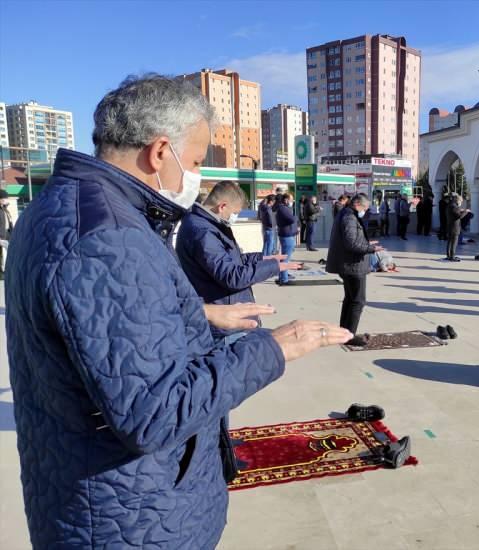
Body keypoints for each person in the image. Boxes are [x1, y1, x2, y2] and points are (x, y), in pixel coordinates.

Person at [3, 74, 351, 549]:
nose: (197, 176)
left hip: (97, 494)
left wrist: (199, 313)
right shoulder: (108, 238)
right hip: (130, 515)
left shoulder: (65, 209)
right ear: (160, 151)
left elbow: (99, 326)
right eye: (196, 160)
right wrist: (271, 348)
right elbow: (154, 413)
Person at [177, 181, 299, 342]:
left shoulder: (209, 224)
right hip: (225, 324)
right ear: (222, 206)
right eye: (235, 213)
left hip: (229, 314)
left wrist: (262, 258)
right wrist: (274, 267)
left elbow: (232, 260)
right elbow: (232, 276)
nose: (234, 217)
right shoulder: (203, 232)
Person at [326, 193, 383, 346]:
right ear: (357, 204)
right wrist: (371, 248)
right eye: (365, 208)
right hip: (352, 266)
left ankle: (344, 332)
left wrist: (367, 243)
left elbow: (353, 238)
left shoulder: (346, 213)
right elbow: (351, 243)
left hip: (349, 264)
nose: (365, 211)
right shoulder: (349, 217)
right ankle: (349, 336)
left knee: (350, 299)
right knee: (358, 301)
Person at [276, 193, 298, 286]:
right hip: (287, 235)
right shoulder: (283, 209)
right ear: (286, 200)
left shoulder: (283, 208)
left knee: (284, 258)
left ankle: (282, 277)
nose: (292, 202)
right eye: (291, 200)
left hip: (286, 234)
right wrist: (296, 217)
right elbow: (292, 219)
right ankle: (284, 279)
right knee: (285, 259)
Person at [446, 193, 468, 261]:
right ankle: (452, 256)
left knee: (449, 241)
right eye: (461, 201)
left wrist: (460, 210)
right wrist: (465, 212)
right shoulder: (454, 206)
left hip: (450, 226)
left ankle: (449, 255)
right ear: (458, 200)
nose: (461, 203)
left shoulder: (450, 205)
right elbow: (459, 216)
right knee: (454, 242)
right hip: (454, 227)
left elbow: (455, 213)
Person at [0, 189, 13, 278]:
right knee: (1, 254)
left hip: (7, 233)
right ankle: (1, 273)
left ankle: (7, 270)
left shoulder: (5, 209)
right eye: (4, 198)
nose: (6, 200)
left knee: (8, 252)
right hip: (1, 235)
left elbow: (9, 222)